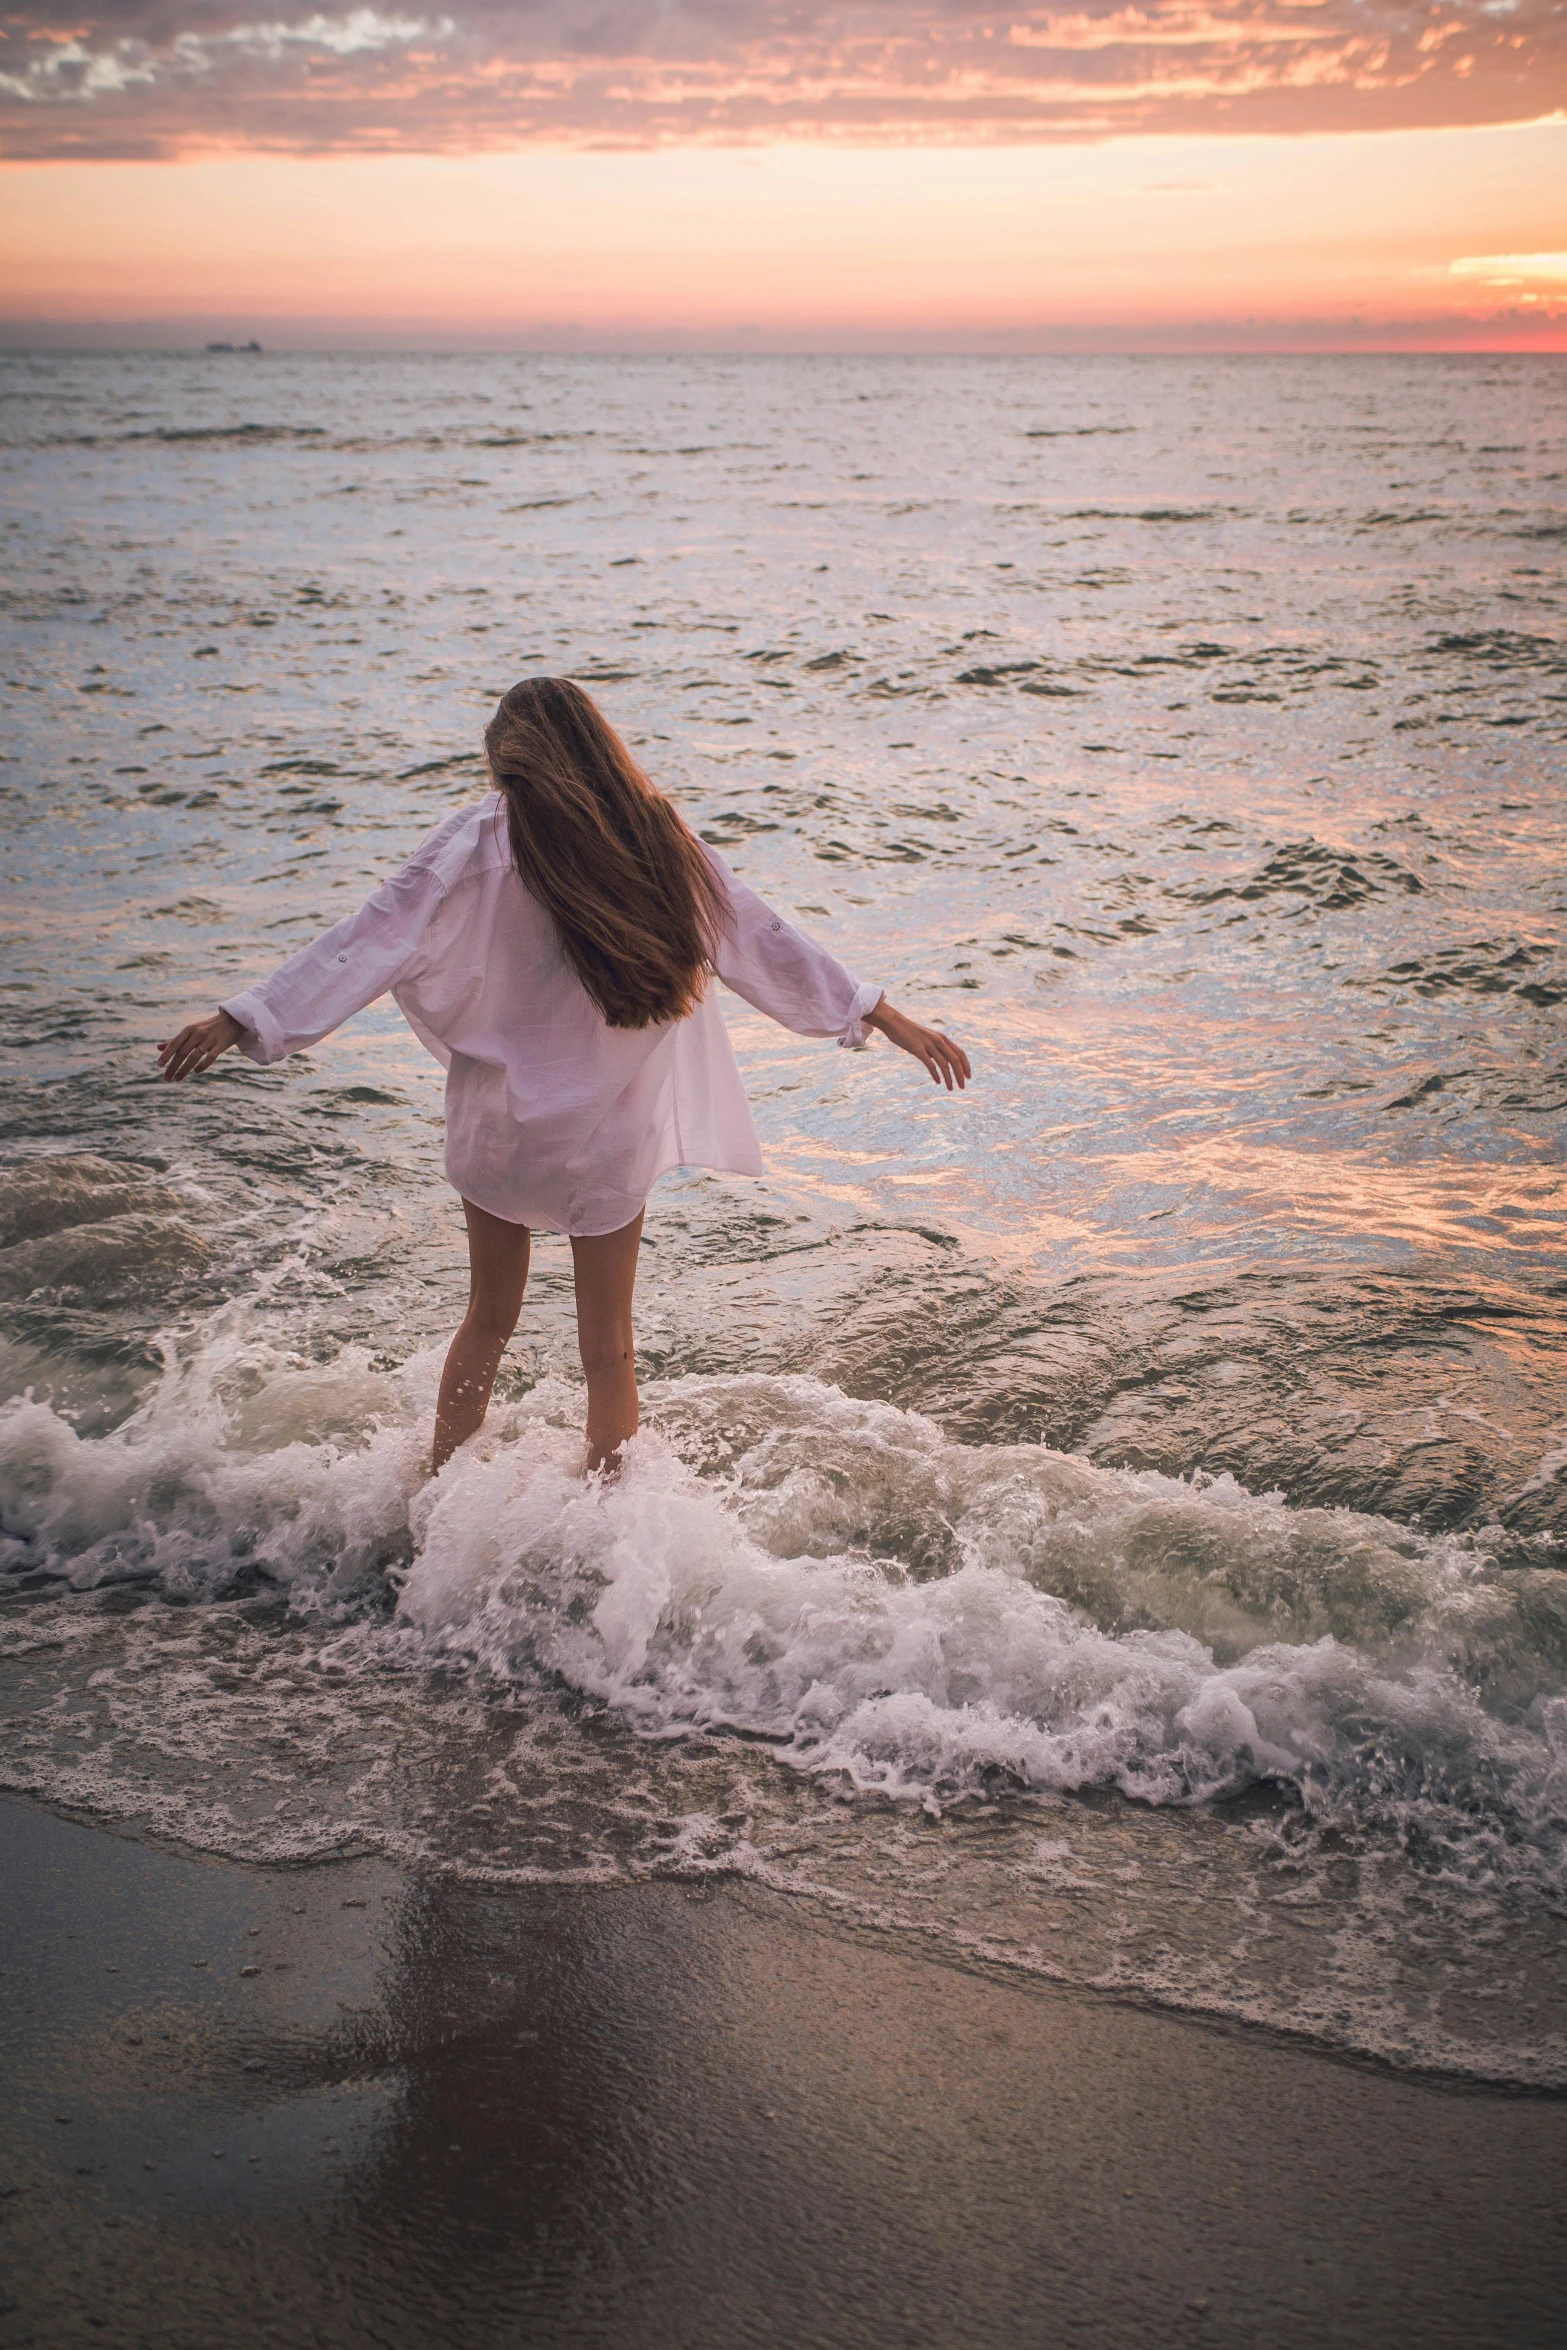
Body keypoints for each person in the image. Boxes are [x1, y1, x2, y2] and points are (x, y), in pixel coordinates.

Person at [157, 678, 971, 1476]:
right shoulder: (656, 838)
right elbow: (761, 937)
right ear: (596, 744)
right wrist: (879, 1014)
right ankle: (609, 1528)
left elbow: (371, 934)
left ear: (505, 760)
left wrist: (245, 1016)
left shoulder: (477, 838)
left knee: (487, 1318)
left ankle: (437, 1490)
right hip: (607, 1134)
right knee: (609, 1349)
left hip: (499, 1128)